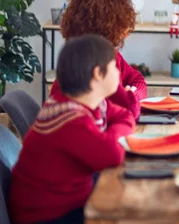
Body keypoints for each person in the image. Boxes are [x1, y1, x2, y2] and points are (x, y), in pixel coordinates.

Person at [9, 34, 135, 224]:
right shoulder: (69, 119)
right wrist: (112, 137)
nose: (119, 74)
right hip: (47, 215)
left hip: (68, 199)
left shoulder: (89, 104)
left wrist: (110, 135)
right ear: (97, 74)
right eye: (113, 68)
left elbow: (126, 115)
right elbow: (113, 155)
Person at [49, 0, 147, 119]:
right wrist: (129, 97)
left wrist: (132, 93)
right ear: (106, 25)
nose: (126, 34)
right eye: (122, 26)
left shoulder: (108, 55)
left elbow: (138, 80)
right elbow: (129, 109)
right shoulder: (91, 64)